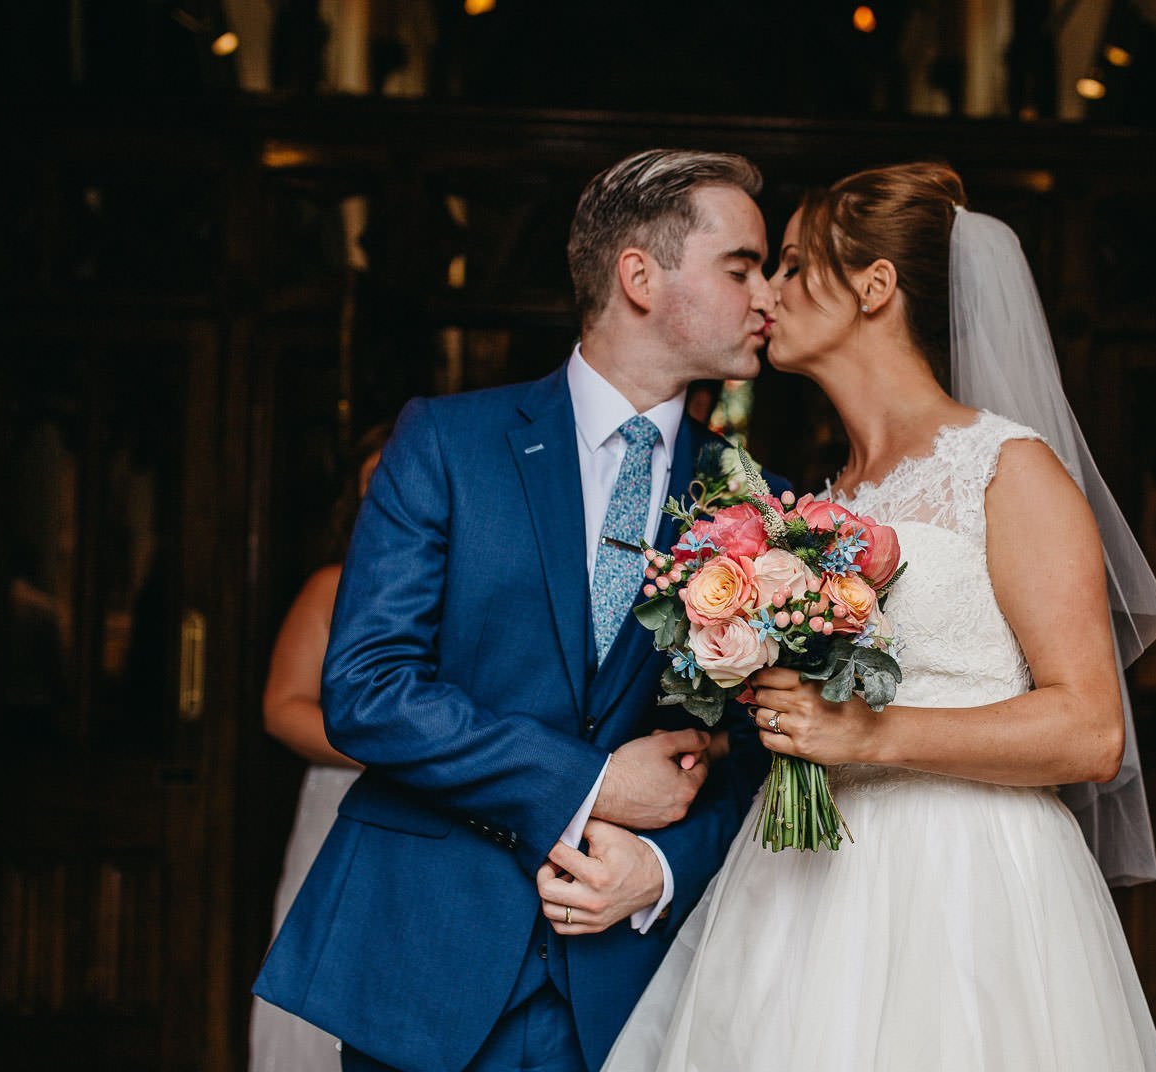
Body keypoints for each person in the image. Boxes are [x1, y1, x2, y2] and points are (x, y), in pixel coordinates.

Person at [603, 164, 1156, 1070]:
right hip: (801, 881)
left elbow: (1090, 730)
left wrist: (865, 735)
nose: (768, 293)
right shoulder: (814, 503)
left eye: (791, 266)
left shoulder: (1009, 470)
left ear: (875, 287)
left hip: (965, 883)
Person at [253, 148, 791, 1072]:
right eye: (741, 268)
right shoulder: (447, 443)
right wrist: (587, 786)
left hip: (637, 979)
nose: (768, 297)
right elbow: (367, 691)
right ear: (638, 277)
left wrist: (663, 869)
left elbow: (767, 758)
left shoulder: (759, 504)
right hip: (430, 960)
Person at [249, 424, 386, 1072]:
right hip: (340, 803)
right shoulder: (332, 586)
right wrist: (398, 751)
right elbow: (281, 708)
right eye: (372, 488)